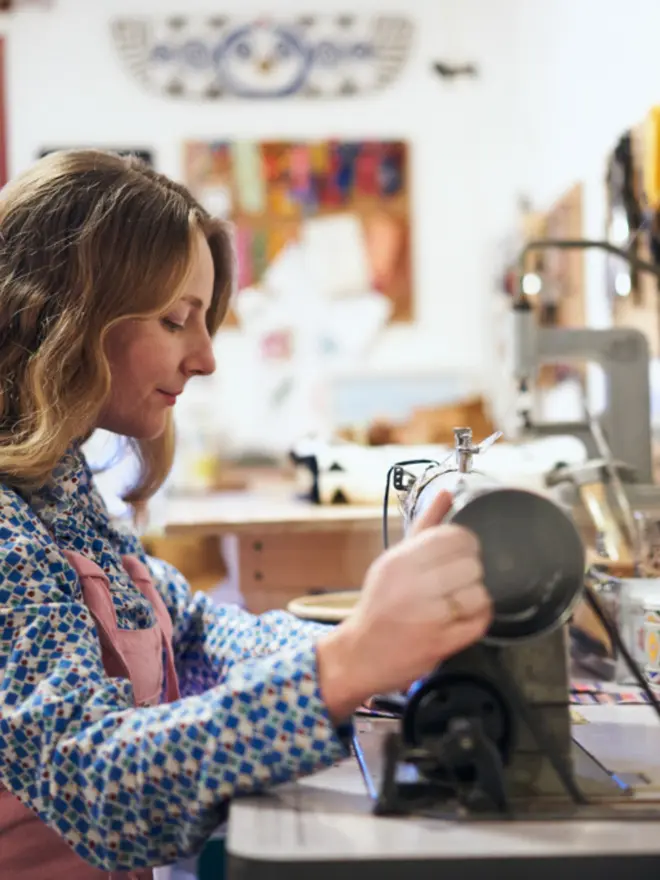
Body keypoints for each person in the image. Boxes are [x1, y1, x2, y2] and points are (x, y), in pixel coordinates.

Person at [0, 150, 492, 879]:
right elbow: (96, 787)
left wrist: (380, 649)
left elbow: (195, 634)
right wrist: (344, 664)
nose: (205, 358)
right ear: (55, 316)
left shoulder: (64, 492)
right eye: (175, 320)